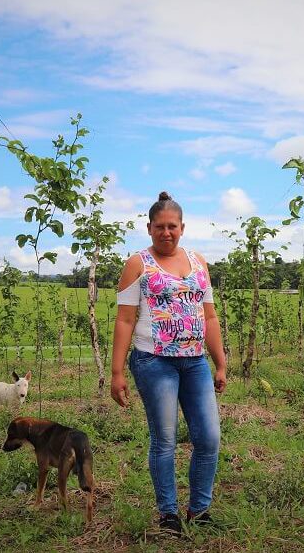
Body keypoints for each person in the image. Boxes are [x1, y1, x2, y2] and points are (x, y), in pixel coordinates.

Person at [111, 191, 227, 535]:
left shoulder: (198, 262)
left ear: (182, 227)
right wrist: (116, 373)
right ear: (149, 228)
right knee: (165, 439)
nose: (166, 232)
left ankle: (200, 510)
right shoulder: (138, 264)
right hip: (154, 361)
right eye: (159, 227)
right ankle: (168, 514)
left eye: (172, 226)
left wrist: (220, 363)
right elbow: (124, 320)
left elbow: (209, 317)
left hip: (195, 363)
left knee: (208, 437)